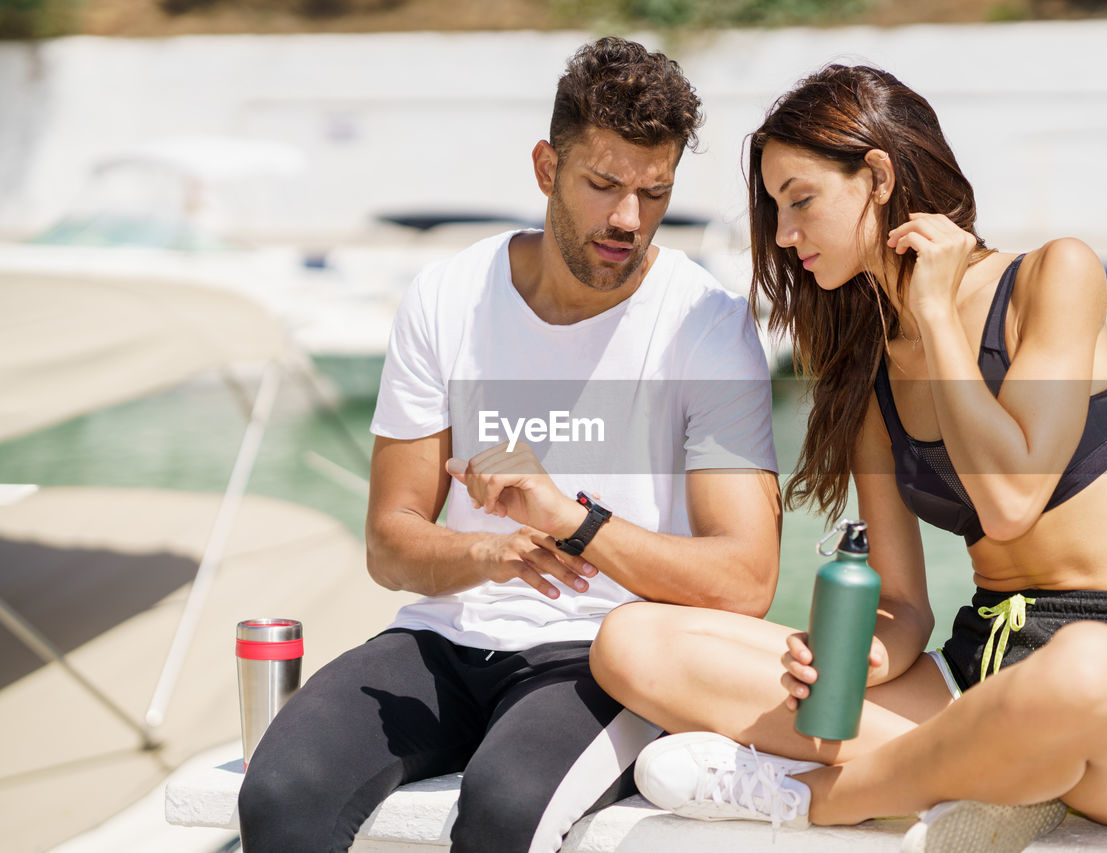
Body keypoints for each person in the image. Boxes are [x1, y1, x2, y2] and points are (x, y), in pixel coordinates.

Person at [589, 64, 1107, 851]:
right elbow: (903, 605)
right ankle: (995, 779)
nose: (786, 235)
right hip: (974, 676)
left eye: (801, 200)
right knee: (634, 640)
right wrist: (857, 660)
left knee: (1084, 664)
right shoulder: (872, 377)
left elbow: (1011, 502)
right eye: (777, 210)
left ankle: (826, 795)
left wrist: (935, 313)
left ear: (878, 176)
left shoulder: (1055, 277)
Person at [236, 37, 782, 853]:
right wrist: (486, 556)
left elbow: (747, 579)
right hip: (443, 637)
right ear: (545, 166)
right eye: (603, 184)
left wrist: (576, 523)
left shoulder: (707, 326)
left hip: (607, 655)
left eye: (653, 192)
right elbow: (390, 542)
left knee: (503, 810)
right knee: (281, 793)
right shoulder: (447, 296)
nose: (627, 219)